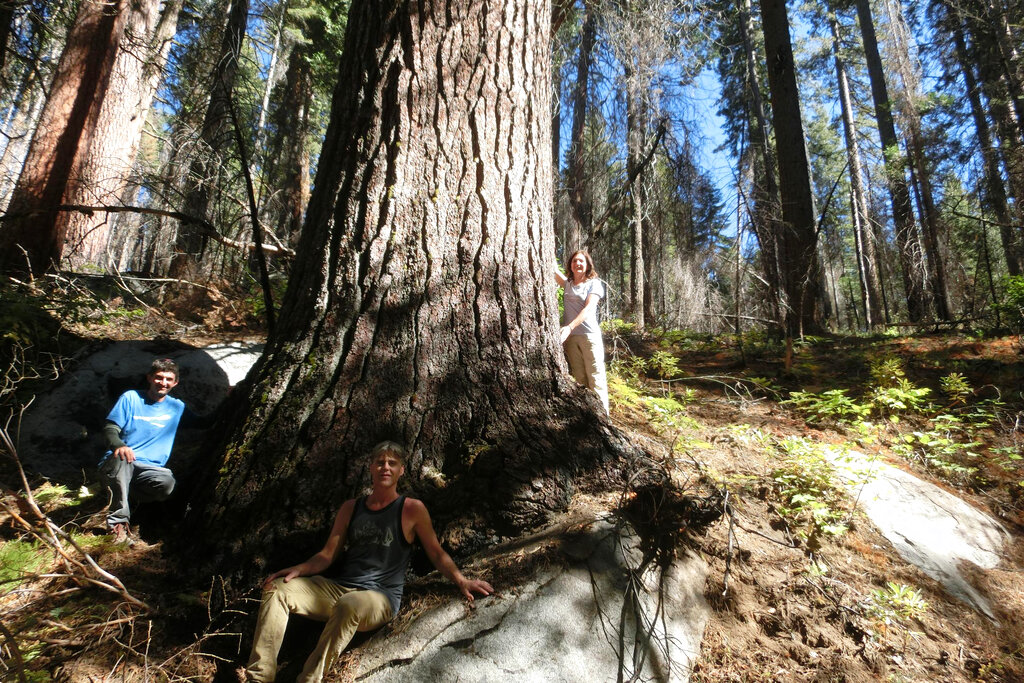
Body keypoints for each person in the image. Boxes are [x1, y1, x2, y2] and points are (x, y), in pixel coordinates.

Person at [243, 441, 494, 683]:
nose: (386, 467)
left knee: (349, 604)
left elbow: (436, 553)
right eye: (380, 462)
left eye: (392, 463)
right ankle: (260, 677)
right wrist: (301, 569)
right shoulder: (351, 508)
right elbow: (327, 555)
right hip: (339, 590)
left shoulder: (412, 509)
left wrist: (461, 580)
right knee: (277, 590)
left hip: (379, 598)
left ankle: (310, 679)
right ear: (371, 467)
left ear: (401, 470)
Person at [98, 357, 206, 544]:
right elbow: (110, 428)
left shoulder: (176, 407)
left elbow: (203, 423)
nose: (163, 383)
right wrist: (119, 445)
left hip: (148, 471)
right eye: (159, 377)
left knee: (167, 484)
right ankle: (118, 526)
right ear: (149, 377)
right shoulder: (131, 398)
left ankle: (129, 497)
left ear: (175, 382)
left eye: (168, 379)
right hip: (119, 463)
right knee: (124, 458)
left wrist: (232, 399)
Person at [555, 249, 609, 413]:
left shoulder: (594, 284)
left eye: (581, 261)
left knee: (596, 377)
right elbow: (553, 271)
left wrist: (569, 327)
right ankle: (588, 416)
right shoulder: (568, 284)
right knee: (580, 378)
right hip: (571, 339)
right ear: (570, 265)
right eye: (574, 261)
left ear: (587, 265)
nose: (577, 264)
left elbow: (588, 310)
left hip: (589, 336)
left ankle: (604, 418)